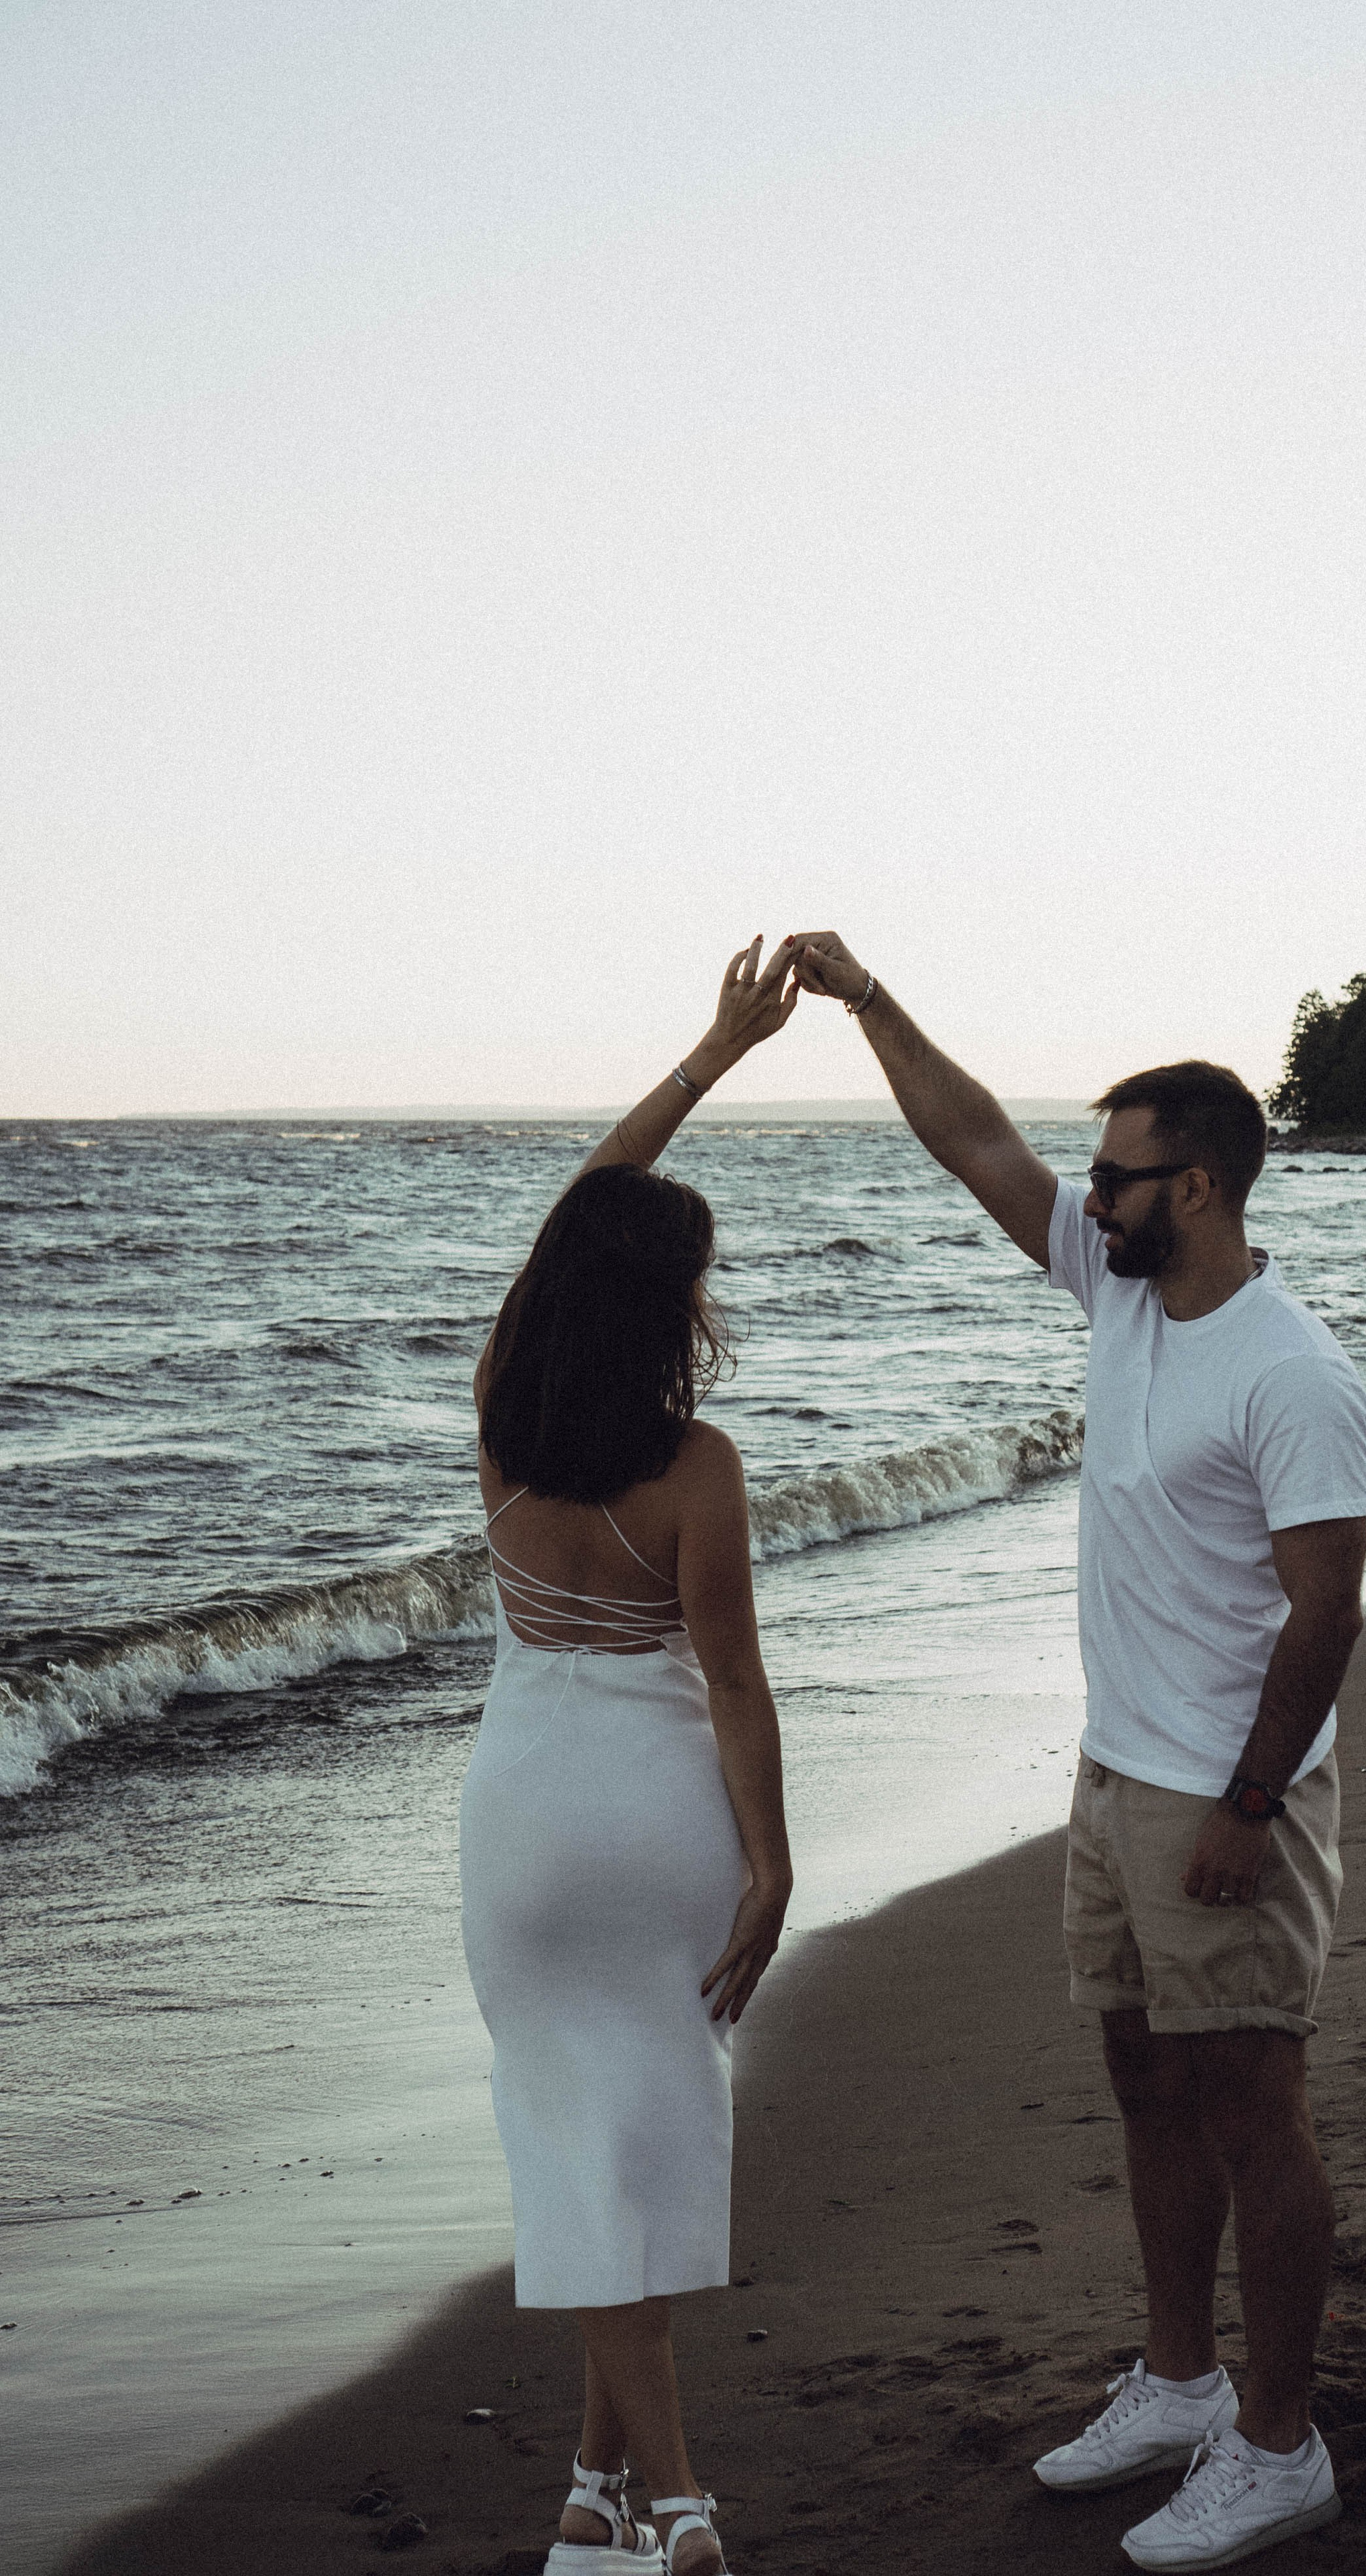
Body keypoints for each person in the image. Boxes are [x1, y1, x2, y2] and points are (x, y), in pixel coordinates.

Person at [790, 933, 1366, 2571]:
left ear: (1191, 1186)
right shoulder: (1120, 1295)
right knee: (1140, 2077)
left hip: (1228, 1786)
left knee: (1253, 2099)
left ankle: (1279, 2443)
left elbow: (1326, 1616)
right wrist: (870, 1004)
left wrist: (1252, 1805)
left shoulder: (1293, 1373)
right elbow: (973, 1144)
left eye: (1115, 1179)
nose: (1085, 1199)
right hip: (1117, 1771)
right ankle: (1181, 2384)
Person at [461, 938, 799, 2576]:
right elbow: (732, 1682)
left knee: (574, 2143)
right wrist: (775, 1862)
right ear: (670, 1301)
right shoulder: (697, 1466)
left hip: (527, 1823)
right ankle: (666, 2500)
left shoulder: (496, 1411)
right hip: (663, 1817)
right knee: (645, 2141)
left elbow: (571, 1222)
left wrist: (704, 1057)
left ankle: (614, 2503)